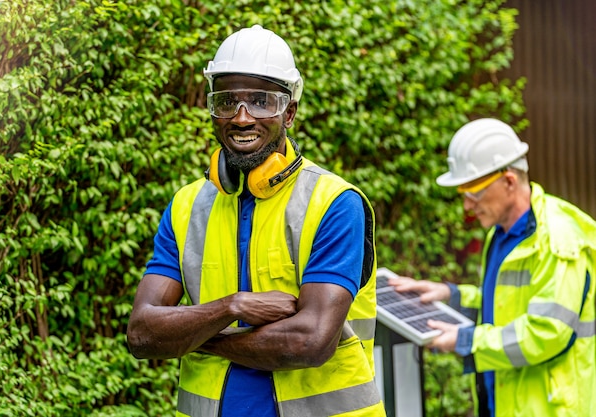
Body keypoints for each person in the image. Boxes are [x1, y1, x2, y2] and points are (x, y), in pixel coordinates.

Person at [126, 25, 385, 417]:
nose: (242, 118)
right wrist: (231, 307)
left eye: (262, 101)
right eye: (227, 101)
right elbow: (143, 333)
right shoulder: (187, 206)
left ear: (290, 112)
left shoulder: (335, 204)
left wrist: (197, 335)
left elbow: (310, 341)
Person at [389, 118, 596, 417]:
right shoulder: (501, 234)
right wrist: (450, 296)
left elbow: (547, 333)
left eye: (474, 193)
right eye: (463, 195)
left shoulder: (558, 240)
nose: (467, 207)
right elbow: (506, 303)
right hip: (505, 402)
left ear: (509, 181)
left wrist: (466, 341)